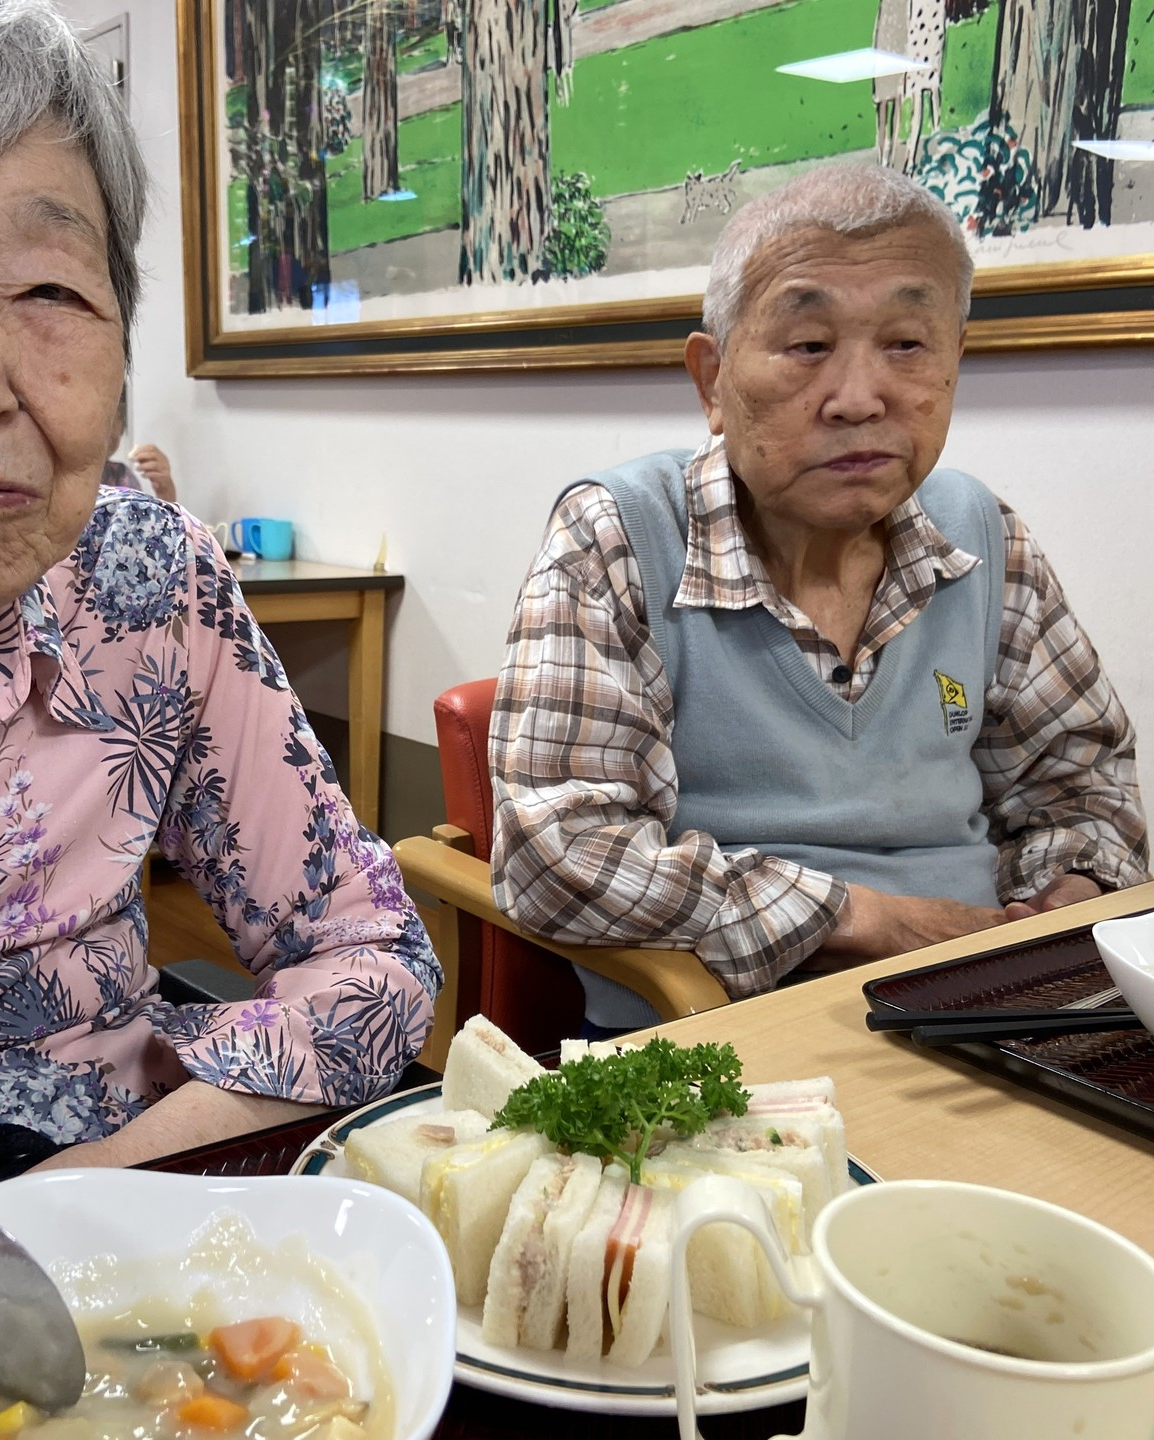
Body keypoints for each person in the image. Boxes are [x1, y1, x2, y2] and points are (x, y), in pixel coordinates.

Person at [0, 0, 439, 1270]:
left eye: (51, 287)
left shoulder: (146, 582)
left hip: (114, 1238)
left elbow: (370, 956)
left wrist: (72, 1209)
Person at [490, 163, 1147, 1035]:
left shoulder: (981, 535)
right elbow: (557, 856)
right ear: (711, 379)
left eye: (907, 345)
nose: (859, 398)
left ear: (955, 362)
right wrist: (869, 921)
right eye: (808, 346)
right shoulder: (618, 536)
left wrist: (1059, 907)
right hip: (722, 1027)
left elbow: (1083, 787)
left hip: (988, 1001)